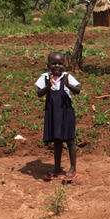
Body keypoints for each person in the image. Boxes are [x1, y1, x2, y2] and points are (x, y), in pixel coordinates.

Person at [35, 52, 80, 182]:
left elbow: (78, 91)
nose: (57, 66)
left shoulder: (67, 77)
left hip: (66, 112)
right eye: (54, 63)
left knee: (70, 139)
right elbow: (39, 94)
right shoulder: (44, 78)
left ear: (64, 65)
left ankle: (72, 168)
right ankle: (57, 167)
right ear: (48, 65)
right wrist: (48, 86)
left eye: (60, 64)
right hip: (53, 112)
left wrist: (68, 85)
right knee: (57, 140)